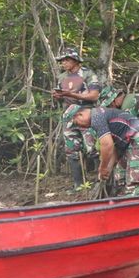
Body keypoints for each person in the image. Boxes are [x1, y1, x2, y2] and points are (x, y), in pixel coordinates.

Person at [64, 104, 139, 196]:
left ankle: (134, 206)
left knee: (135, 180)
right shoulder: (100, 115)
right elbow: (114, 147)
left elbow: (107, 145)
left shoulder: (97, 117)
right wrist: (108, 168)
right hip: (130, 143)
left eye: (77, 123)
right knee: (120, 176)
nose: (80, 127)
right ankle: (122, 202)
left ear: (80, 114)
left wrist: (102, 167)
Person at [51, 47, 101, 188]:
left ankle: (101, 182)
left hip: (86, 113)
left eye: (66, 60)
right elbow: (61, 99)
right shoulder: (62, 77)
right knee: (71, 150)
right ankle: (78, 185)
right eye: (62, 61)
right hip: (68, 115)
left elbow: (94, 95)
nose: (64, 63)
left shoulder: (88, 74)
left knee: (92, 148)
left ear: (75, 60)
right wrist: (57, 97)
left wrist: (72, 95)